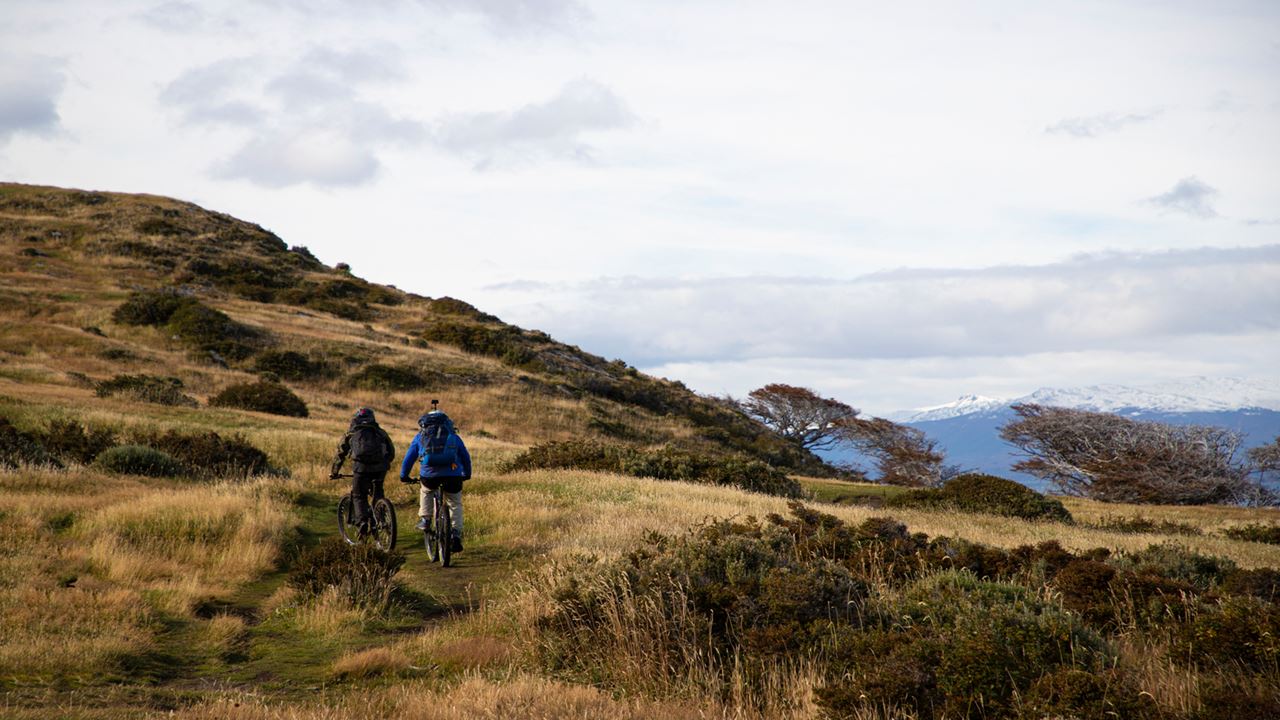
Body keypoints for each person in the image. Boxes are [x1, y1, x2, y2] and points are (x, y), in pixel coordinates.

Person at [400, 404, 471, 552]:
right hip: (453, 475)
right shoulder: (453, 436)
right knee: (454, 503)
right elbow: (465, 456)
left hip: (429, 475)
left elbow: (409, 458)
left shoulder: (421, 436)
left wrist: (404, 476)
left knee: (426, 491)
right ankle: (456, 535)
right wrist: (466, 473)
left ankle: (426, 519)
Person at [330, 407, 395, 532]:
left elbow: (340, 454)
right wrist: (385, 464)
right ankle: (380, 519)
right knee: (378, 493)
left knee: (358, 495)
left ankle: (363, 522)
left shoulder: (351, 433)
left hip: (361, 468)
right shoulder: (380, 432)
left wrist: (335, 471)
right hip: (380, 469)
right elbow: (391, 452)